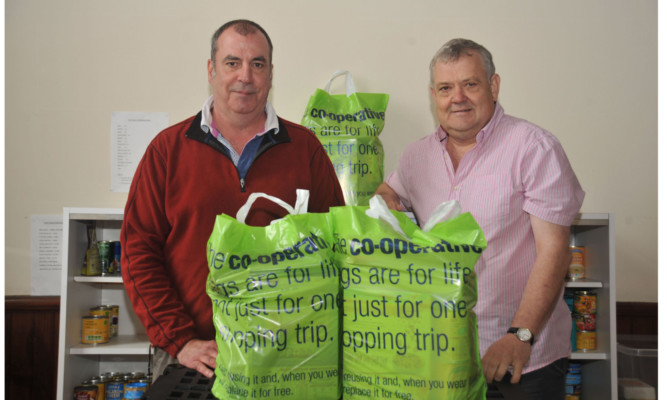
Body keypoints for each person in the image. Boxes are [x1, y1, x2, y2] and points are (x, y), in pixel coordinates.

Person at [121, 19, 345, 380]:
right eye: (232, 63)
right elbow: (138, 252)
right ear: (211, 70)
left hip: (286, 359)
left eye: (257, 64)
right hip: (192, 359)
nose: (245, 76)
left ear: (271, 74)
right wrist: (181, 340)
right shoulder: (167, 150)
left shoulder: (306, 150)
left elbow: (336, 250)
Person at [375, 38, 584, 400]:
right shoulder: (416, 156)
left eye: (470, 84)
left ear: (493, 85)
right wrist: (387, 202)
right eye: (445, 88)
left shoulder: (534, 148)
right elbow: (388, 191)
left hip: (521, 360)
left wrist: (520, 336)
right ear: (433, 95)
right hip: (444, 358)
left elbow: (555, 252)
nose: (458, 97)